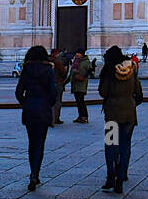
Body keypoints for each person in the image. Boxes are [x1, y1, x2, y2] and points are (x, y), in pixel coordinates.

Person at [98, 47, 142, 195]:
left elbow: (103, 92)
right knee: (125, 145)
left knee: (111, 145)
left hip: (112, 115)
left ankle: (111, 175)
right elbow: (139, 92)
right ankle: (121, 177)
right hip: (129, 114)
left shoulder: (108, 71)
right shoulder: (132, 70)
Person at [16, 45, 59, 191]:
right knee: (40, 143)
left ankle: (32, 174)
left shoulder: (27, 69)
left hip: (30, 110)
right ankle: (35, 174)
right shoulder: (48, 70)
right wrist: (48, 103)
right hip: (43, 110)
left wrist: (26, 103)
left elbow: (19, 91)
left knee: (31, 143)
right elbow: (53, 92)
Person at [69, 50, 92, 122]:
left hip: (82, 84)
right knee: (78, 101)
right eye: (76, 53)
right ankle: (80, 116)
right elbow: (71, 73)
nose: (77, 54)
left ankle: (84, 116)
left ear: (82, 54)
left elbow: (90, 71)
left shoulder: (86, 62)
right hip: (75, 84)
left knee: (81, 100)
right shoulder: (75, 62)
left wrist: (83, 77)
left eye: (78, 53)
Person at [50, 48, 69, 126]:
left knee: (49, 101)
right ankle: (55, 118)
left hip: (48, 84)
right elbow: (63, 72)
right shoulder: (57, 61)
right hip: (58, 83)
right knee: (57, 101)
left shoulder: (46, 61)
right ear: (56, 53)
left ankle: (49, 118)